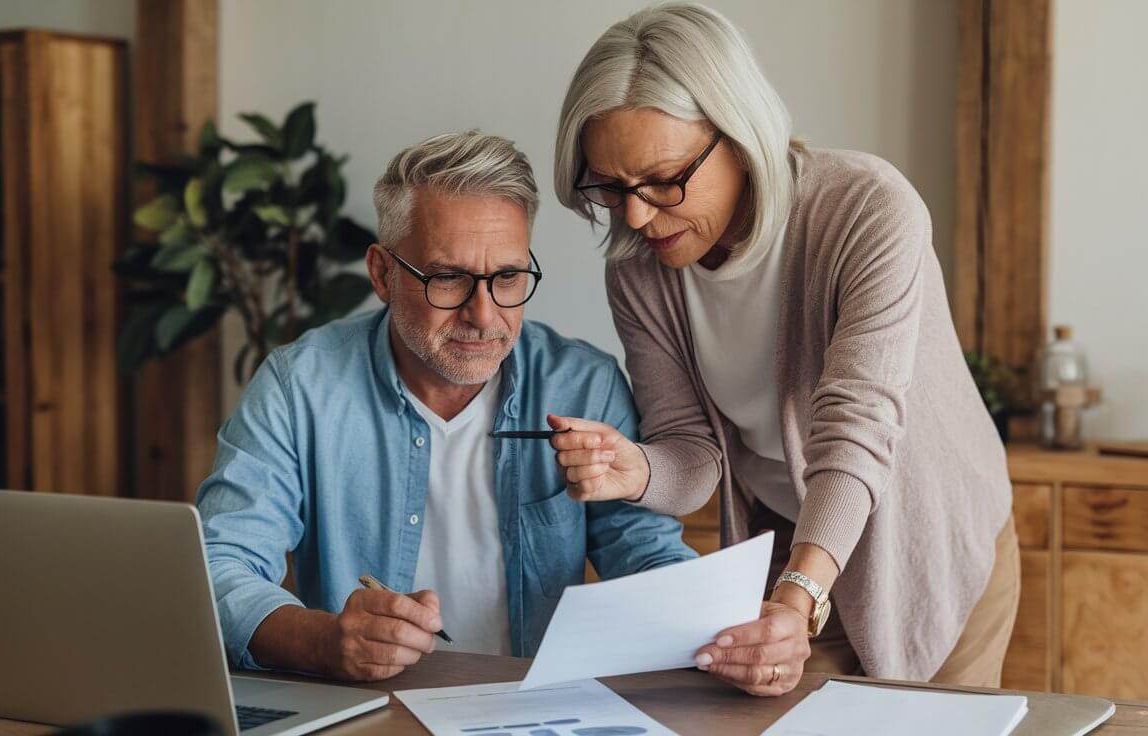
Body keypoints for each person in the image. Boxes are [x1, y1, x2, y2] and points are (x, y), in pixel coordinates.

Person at [548, 3, 1019, 695]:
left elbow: (853, 431)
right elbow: (694, 457)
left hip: (931, 545)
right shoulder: (638, 269)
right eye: (613, 189)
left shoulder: (867, 210)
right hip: (793, 543)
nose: (639, 216)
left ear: (738, 134)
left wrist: (798, 600)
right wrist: (638, 469)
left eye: (665, 180)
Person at [197, 130, 696, 682]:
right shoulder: (301, 387)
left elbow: (650, 559)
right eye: (449, 278)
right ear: (383, 274)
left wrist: (723, 629)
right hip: (370, 715)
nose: (484, 316)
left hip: (538, 713)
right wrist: (323, 641)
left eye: (507, 277)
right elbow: (218, 569)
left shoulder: (584, 384)